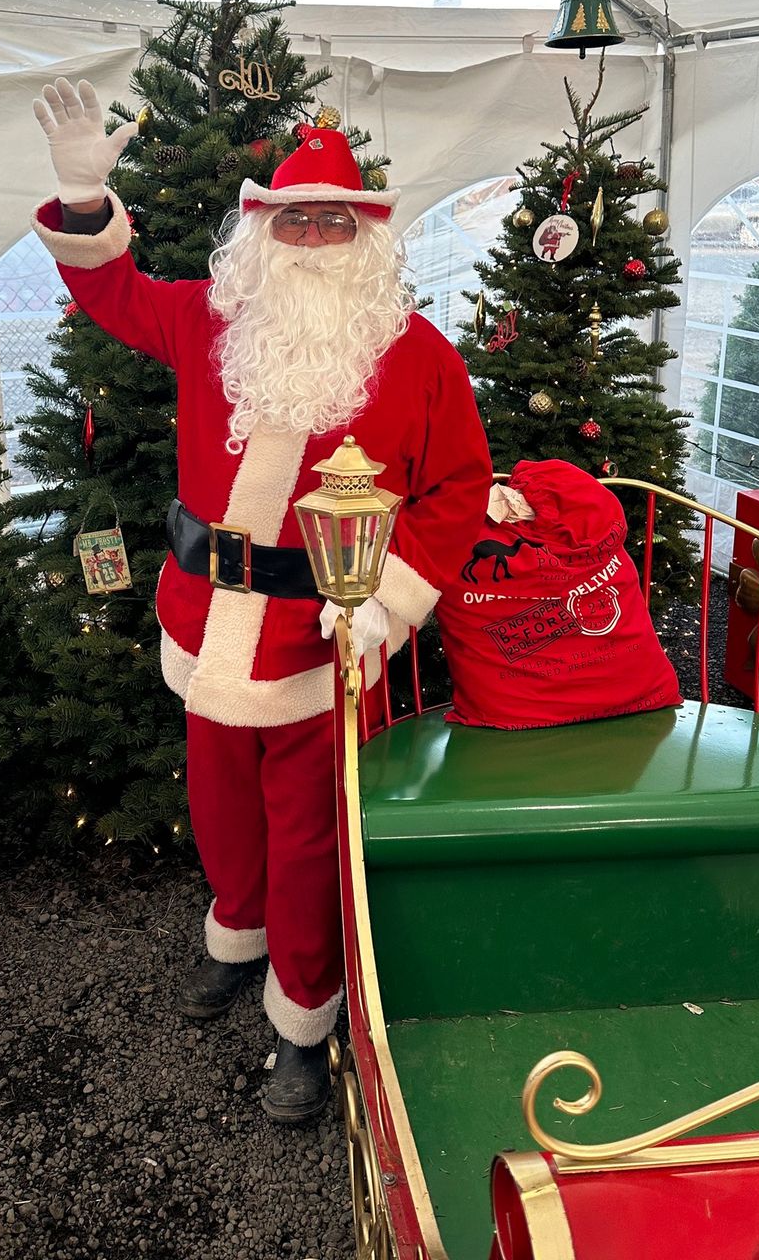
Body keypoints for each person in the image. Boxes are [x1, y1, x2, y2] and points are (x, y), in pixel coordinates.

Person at [30, 80, 491, 1122]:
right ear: (265, 230)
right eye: (297, 218)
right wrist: (81, 199)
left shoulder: (416, 355)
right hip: (204, 625)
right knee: (223, 814)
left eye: (337, 218)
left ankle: (303, 1018)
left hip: (322, 641)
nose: (317, 234)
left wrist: (391, 599)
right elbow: (113, 296)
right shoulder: (207, 320)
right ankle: (235, 938)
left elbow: (460, 486)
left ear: (365, 235)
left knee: (309, 835)